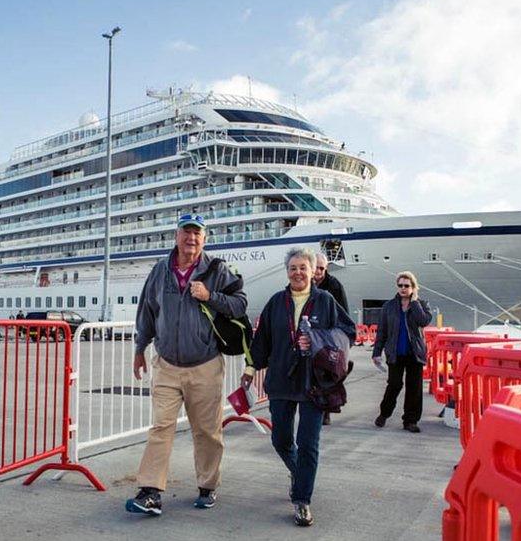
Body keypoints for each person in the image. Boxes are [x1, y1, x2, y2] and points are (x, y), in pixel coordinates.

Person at [126, 214, 248, 516]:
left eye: (197, 234)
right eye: (186, 233)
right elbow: (147, 312)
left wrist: (211, 296)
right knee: (160, 427)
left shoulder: (218, 270)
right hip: (166, 363)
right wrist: (140, 348)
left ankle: (208, 486)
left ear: (204, 239)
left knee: (206, 431)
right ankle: (151, 491)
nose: (191, 239)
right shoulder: (159, 271)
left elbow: (241, 304)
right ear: (176, 236)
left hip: (205, 364)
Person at [245, 247, 355, 527]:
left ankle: (302, 499)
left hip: (315, 382)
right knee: (280, 439)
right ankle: (300, 473)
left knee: (309, 443)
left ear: (313, 271)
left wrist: (317, 338)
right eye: (293, 268)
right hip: (281, 379)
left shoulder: (326, 301)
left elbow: (347, 332)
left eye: (302, 268)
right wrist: (249, 371)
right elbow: (262, 342)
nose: (298, 273)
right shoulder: (275, 302)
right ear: (287, 272)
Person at [371, 271, 432, 433]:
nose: (403, 288)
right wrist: (376, 352)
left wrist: (414, 303)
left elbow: (424, 321)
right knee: (394, 384)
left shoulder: (421, 304)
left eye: (407, 286)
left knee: (414, 388)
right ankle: (384, 413)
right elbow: (382, 332)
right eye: (400, 285)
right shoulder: (389, 307)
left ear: (413, 287)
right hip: (395, 352)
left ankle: (410, 421)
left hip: (414, 353)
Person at [313, 252, 349, 426]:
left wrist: (341, 340)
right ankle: (315, 407)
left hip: (328, 338)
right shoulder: (304, 282)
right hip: (311, 337)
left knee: (327, 375)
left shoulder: (334, 286)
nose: (319, 271)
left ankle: (326, 411)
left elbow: (344, 313)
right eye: (316, 267)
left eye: (322, 268)